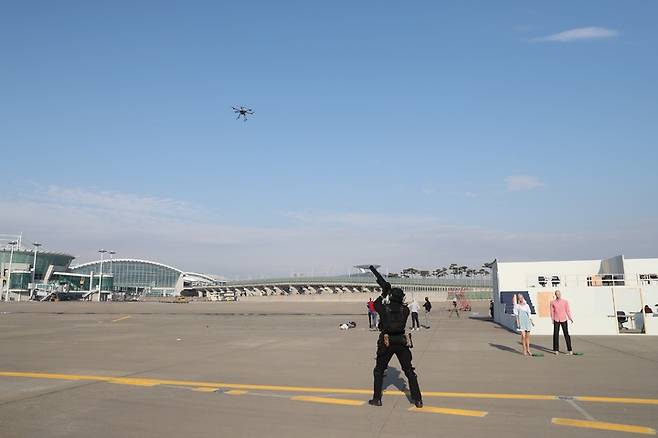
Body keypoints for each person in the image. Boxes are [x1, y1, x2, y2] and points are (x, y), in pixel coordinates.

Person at [368, 266, 422, 408]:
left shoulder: (384, 308)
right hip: (401, 341)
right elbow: (398, 306)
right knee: (409, 371)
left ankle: (377, 399)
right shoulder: (405, 310)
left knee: (379, 370)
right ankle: (418, 400)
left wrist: (383, 292)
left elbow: (375, 304)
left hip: (386, 342)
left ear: (391, 297)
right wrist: (388, 291)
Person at [550, 290, 573, 355]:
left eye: (559, 294)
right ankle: (556, 350)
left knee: (566, 334)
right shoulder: (552, 302)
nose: (558, 295)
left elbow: (567, 310)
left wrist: (570, 318)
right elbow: (552, 311)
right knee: (556, 334)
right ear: (555, 295)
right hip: (556, 319)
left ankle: (570, 350)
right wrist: (552, 319)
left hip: (564, 319)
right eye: (557, 294)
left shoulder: (565, 302)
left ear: (560, 294)